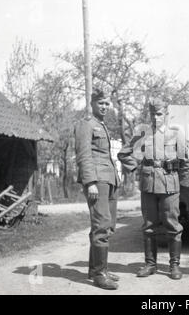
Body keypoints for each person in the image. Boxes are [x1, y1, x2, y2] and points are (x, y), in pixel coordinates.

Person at [118, 97, 189, 280]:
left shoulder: (176, 134)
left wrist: (182, 183)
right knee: (149, 226)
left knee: (173, 225)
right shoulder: (143, 134)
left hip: (170, 185)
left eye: (159, 114)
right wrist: (137, 167)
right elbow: (123, 153)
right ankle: (150, 264)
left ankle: (174, 266)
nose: (155, 117)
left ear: (167, 115)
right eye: (152, 114)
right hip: (148, 185)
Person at [74, 89, 120, 290]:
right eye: (100, 103)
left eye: (107, 103)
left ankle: (97, 269)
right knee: (101, 225)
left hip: (109, 180)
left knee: (107, 226)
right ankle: (99, 275)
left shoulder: (102, 125)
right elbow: (83, 154)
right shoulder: (86, 124)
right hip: (97, 181)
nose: (104, 106)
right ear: (92, 104)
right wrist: (90, 182)